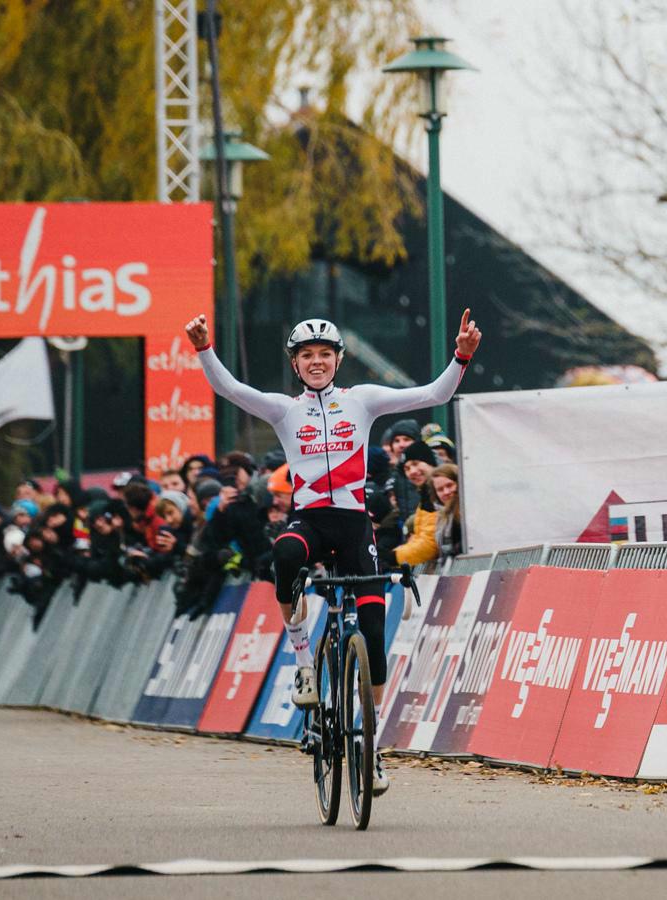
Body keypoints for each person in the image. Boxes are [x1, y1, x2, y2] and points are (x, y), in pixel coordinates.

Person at [186, 307, 481, 796]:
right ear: (296, 364)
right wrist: (204, 349)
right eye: (307, 355)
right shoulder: (285, 409)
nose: (317, 361)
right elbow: (232, 391)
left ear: (338, 360)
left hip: (353, 526)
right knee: (284, 556)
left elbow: (433, 394)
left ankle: (369, 743)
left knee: (373, 634)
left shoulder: (361, 401)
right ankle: (305, 662)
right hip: (309, 521)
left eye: (325, 353)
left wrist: (461, 357)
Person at [431, 463, 463, 562]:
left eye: (449, 485)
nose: (446, 492)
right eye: (440, 489)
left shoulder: (467, 512)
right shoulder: (441, 515)